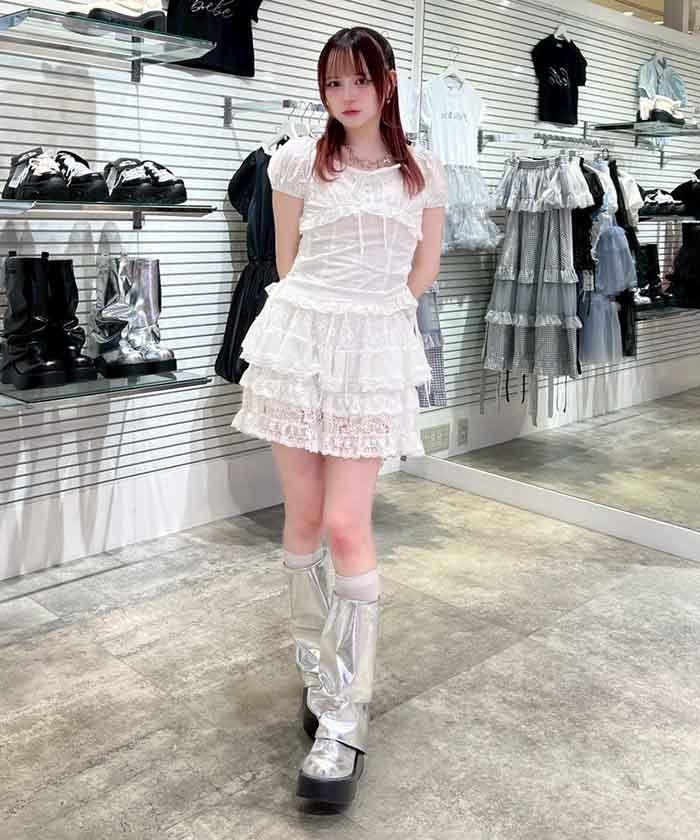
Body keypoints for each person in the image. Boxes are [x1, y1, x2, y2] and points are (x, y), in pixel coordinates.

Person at [232, 26, 447, 806]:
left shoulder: (423, 172)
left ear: (387, 83)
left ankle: (346, 716)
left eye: (359, 80)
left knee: (348, 525)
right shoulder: (296, 160)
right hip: (300, 345)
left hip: (370, 352)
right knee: (301, 520)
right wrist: (326, 318)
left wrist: (374, 320)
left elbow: (425, 267)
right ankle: (320, 676)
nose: (346, 96)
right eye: (333, 83)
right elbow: (287, 258)